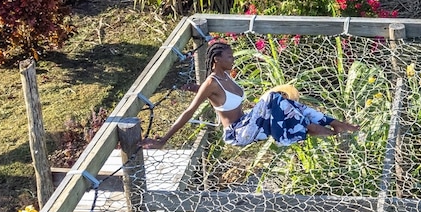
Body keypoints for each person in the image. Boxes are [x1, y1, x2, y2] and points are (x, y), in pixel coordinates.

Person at [144, 39, 358, 148]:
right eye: (229, 57)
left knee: (286, 103)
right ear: (217, 59)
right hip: (237, 133)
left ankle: (332, 124)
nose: (233, 60)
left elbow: (220, 98)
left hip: (249, 123)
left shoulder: (226, 77)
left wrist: (195, 88)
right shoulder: (211, 83)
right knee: (275, 97)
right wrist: (163, 140)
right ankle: (317, 129)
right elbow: (190, 111)